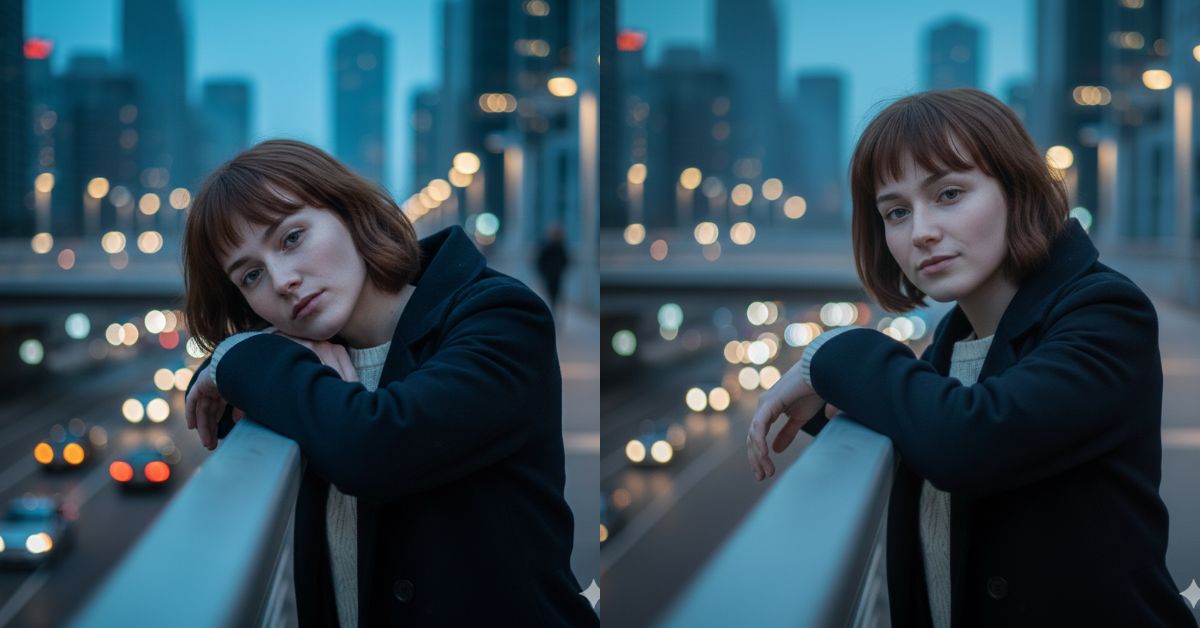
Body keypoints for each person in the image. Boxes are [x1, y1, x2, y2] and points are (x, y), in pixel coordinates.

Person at [746, 89, 1197, 627]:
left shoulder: (1106, 312)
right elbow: (924, 427)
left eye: (949, 193)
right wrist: (835, 401)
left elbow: (970, 439)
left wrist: (832, 353)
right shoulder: (954, 342)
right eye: (896, 212)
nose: (922, 232)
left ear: (1015, 187)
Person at [181, 139, 598, 627]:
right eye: (251, 275)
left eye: (292, 238)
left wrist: (238, 358)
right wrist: (235, 355)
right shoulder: (307, 358)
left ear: (349, 212)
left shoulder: (501, 317)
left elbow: (374, 447)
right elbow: (225, 403)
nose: (281, 280)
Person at [536, 223, 570, 315]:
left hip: (557, 275)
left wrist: (561, 270)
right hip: (548, 276)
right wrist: (543, 272)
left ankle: (553, 312)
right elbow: (540, 261)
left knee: (556, 296)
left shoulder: (561, 247)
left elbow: (565, 261)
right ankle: (549, 312)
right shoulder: (547, 247)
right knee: (548, 295)